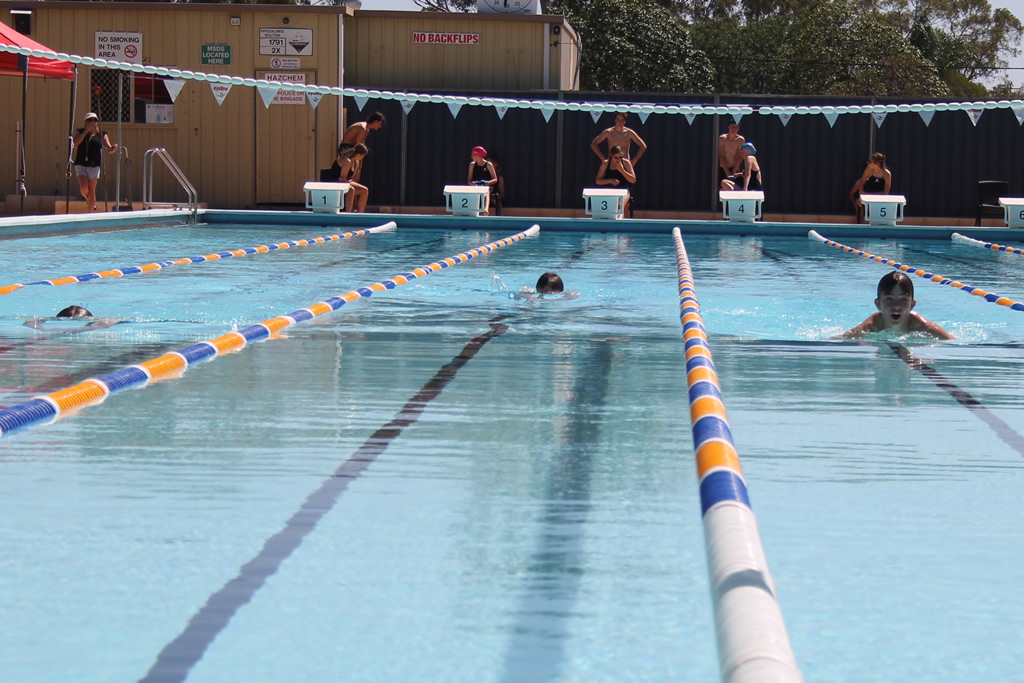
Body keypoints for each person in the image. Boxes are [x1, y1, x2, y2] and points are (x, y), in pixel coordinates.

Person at [843, 271, 954, 339]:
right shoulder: (871, 326)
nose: (896, 305)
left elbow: (953, 342)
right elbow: (840, 340)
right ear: (878, 304)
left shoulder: (923, 327)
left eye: (903, 299)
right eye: (889, 299)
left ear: (912, 305)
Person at [72, 112, 119, 213]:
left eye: (94, 120)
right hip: (81, 163)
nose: (92, 122)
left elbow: (108, 147)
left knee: (92, 189)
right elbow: (76, 142)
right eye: (90, 120)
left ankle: (90, 212)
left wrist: (113, 148)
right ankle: (90, 201)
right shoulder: (80, 132)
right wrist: (86, 131)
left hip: (94, 164)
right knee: (84, 188)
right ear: (85, 122)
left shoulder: (102, 134)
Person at [339, 112, 385, 183]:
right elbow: (358, 148)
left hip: (352, 147)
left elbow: (361, 148)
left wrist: (359, 167)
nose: (380, 126)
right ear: (376, 121)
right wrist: (359, 168)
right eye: (380, 124)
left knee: (353, 169)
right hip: (346, 147)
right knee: (348, 171)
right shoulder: (362, 128)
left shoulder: (366, 130)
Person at [850, 152, 892, 224]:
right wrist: (861, 196)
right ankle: (860, 225)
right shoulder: (869, 169)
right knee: (859, 204)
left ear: (877, 163)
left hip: (879, 197)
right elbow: (862, 183)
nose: (869, 164)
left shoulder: (887, 174)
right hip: (866, 195)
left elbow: (886, 192)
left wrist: (870, 195)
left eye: (870, 162)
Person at [596, 145, 637, 215]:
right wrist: (610, 181)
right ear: (611, 156)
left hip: (623, 191)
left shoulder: (626, 163)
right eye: (616, 158)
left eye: (620, 157)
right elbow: (598, 181)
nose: (618, 160)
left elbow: (633, 180)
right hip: (609, 191)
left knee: (619, 207)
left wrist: (622, 171)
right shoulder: (606, 163)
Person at [329, 143, 370, 213]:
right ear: (360, 155)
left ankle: (361, 213)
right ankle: (348, 212)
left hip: (344, 182)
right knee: (351, 190)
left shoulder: (356, 162)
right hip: (334, 182)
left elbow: (351, 178)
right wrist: (349, 182)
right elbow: (341, 178)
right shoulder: (347, 161)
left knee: (364, 190)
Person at [467, 145, 498, 216]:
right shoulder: (472, 165)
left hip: (486, 186)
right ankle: (472, 211)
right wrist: (473, 184)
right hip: (476, 185)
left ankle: (485, 209)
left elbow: (495, 179)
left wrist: (488, 182)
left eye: (473, 155)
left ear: (478, 156)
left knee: (486, 192)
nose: (471, 157)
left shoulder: (488, 165)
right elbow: (469, 180)